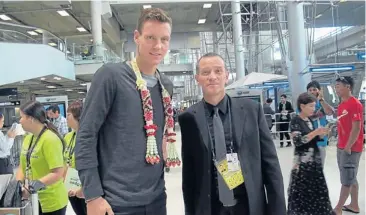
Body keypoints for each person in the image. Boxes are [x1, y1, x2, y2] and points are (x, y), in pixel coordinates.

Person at [75, 8, 180, 215]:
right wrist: (93, 195)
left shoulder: (165, 85)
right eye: (150, 37)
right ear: (136, 37)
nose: (158, 46)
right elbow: (86, 135)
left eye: (164, 39)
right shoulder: (111, 77)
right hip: (115, 202)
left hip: (157, 199)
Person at [178, 53, 286, 215]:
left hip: (247, 205)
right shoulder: (188, 118)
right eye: (206, 73)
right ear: (197, 78)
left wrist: (278, 210)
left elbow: (271, 165)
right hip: (211, 207)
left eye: (218, 71)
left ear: (226, 76)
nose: (212, 77)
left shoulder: (251, 110)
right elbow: (189, 175)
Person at [16, 101, 68, 215]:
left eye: (21, 117)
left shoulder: (50, 139)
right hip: (34, 200)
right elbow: (22, 166)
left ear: (31, 119)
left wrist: (34, 186)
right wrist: (18, 185)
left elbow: (58, 172)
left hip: (53, 201)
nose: (19, 121)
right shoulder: (28, 139)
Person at [287, 92, 334, 215]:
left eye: (314, 106)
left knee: (318, 195)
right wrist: (315, 132)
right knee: (302, 197)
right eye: (311, 106)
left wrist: (322, 134)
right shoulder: (295, 121)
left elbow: (312, 139)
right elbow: (298, 141)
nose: (313, 109)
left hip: (314, 163)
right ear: (302, 106)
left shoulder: (309, 120)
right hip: (302, 166)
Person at [333, 76, 364, 215]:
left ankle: (338, 208)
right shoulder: (341, 105)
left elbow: (357, 127)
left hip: (350, 148)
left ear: (348, 87)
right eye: (336, 86)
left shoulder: (355, 104)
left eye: (339, 86)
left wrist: (348, 146)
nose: (336, 88)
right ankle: (354, 205)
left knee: (346, 179)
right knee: (351, 177)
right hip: (342, 146)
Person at [63, 101, 86, 215]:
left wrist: (82, 189)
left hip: (85, 187)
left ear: (78, 116)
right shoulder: (68, 137)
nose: (66, 118)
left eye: (68, 115)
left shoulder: (88, 137)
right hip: (71, 185)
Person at [306, 80, 334, 167]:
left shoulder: (322, 102)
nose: (312, 92)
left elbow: (330, 112)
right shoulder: (303, 103)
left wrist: (321, 100)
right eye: (310, 90)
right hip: (308, 140)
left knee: (319, 167)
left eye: (314, 89)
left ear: (319, 90)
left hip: (321, 140)